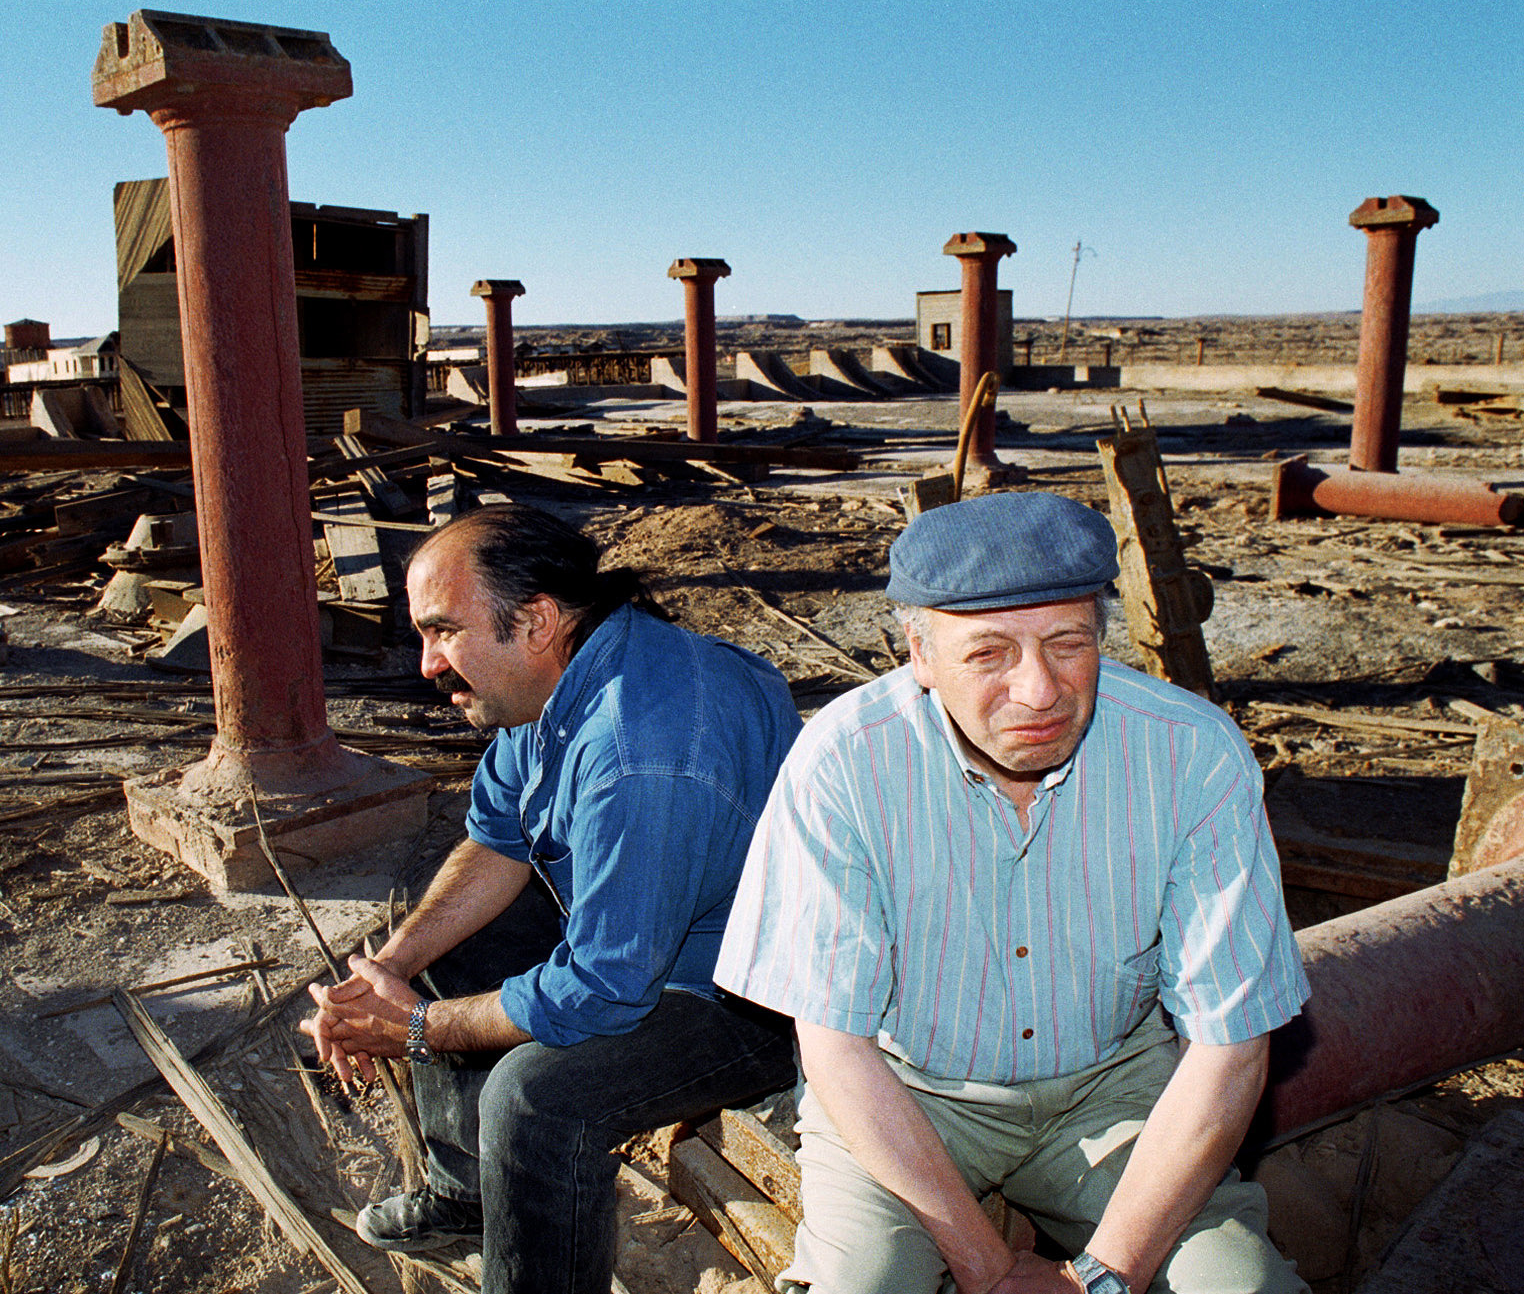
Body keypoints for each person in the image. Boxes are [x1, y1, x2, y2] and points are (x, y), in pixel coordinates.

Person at [714, 492, 1310, 1294]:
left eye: (1067, 643)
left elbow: (1231, 1046)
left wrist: (1103, 1275)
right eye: (989, 653)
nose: (1039, 690)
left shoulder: (1191, 754)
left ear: (1102, 632)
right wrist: (988, 1267)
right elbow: (835, 1046)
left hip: (1115, 1087)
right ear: (918, 654)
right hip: (908, 1092)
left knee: (1242, 1286)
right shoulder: (844, 764)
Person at [304, 502, 801, 1294]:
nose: (427, 664)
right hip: (645, 928)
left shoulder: (639, 753)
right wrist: (390, 971)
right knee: (446, 946)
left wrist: (420, 1030)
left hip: (749, 997)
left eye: (443, 631)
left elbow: (602, 992)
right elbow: (498, 836)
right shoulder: (557, 682)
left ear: (535, 621)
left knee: (533, 1100)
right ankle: (467, 1195)